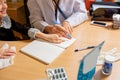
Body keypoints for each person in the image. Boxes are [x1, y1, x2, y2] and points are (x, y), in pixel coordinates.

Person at [0, 0, 64, 43]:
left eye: (5, 2)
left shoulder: (4, 18)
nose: (5, 6)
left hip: (13, 45)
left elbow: (21, 28)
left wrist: (45, 36)